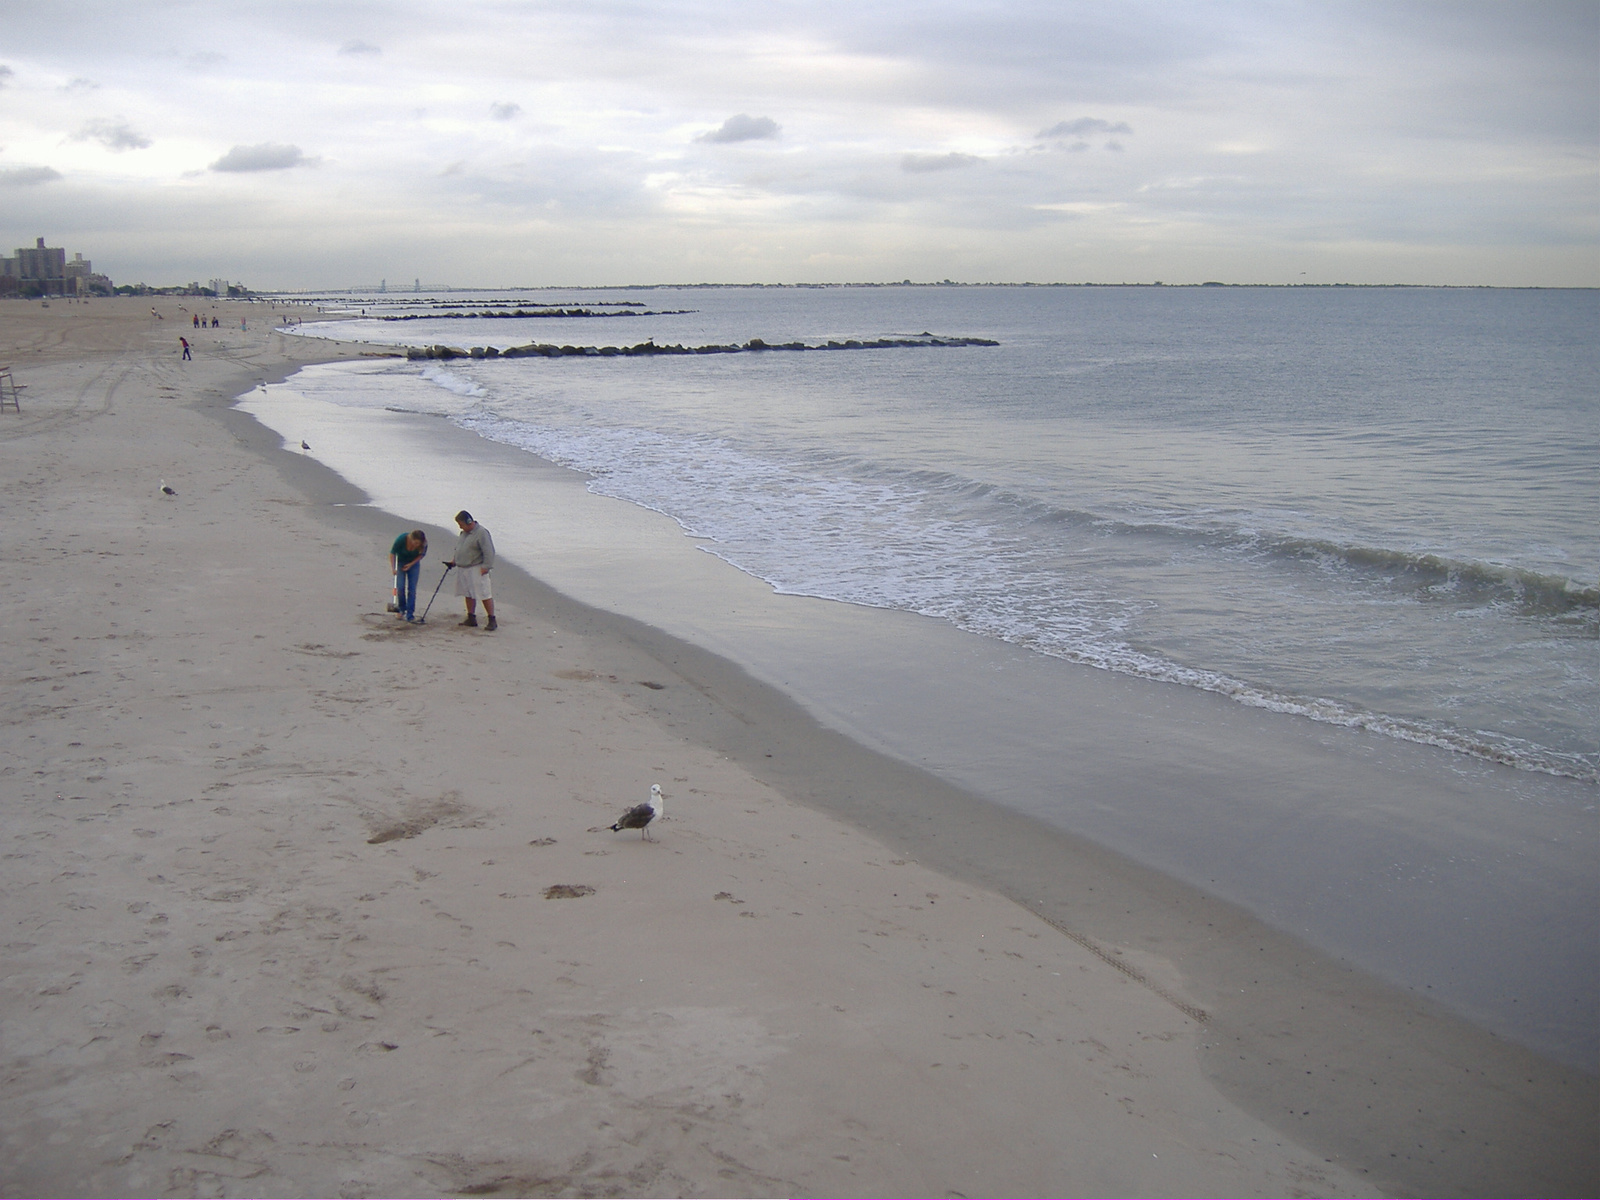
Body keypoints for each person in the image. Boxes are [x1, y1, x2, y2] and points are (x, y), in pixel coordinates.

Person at [444, 510, 496, 630]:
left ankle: (492, 619)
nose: (460, 527)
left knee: (484, 593)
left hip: (477, 567)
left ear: (469, 521)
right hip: (464, 568)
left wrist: (486, 567)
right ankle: (471, 617)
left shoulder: (482, 533)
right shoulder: (464, 533)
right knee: (468, 593)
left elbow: (489, 551)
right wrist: (454, 561)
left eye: (461, 524)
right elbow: (461, 549)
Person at [389, 529, 428, 622]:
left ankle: (410, 614)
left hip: (413, 564)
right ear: (411, 538)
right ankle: (401, 609)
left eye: (418, 543)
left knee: (412, 589)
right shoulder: (401, 539)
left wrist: (411, 564)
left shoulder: (424, 544)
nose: (416, 545)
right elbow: (392, 553)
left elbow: (421, 555)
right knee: (400, 587)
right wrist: (393, 568)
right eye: (415, 542)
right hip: (401, 562)